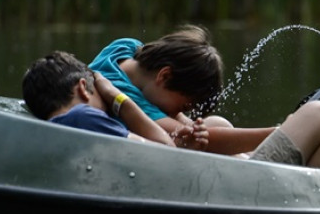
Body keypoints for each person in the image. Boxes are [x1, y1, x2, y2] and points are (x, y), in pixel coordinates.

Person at [25, 51, 320, 169]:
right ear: (84, 89)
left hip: (212, 185)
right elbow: (163, 149)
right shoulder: (83, 116)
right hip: (240, 197)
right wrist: (115, 96)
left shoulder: (73, 124)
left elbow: (159, 150)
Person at [88, 25, 279, 156]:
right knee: (213, 141)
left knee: (218, 123)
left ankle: (254, 159)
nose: (179, 113)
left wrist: (192, 125)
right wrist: (277, 134)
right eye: (184, 105)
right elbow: (209, 142)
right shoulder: (126, 98)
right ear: (164, 76)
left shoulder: (124, 47)